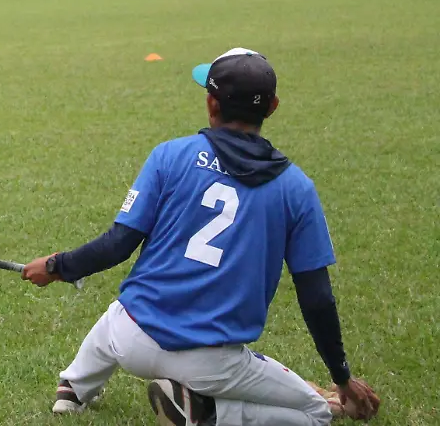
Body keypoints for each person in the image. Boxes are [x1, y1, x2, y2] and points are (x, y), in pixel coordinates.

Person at [22, 48, 380, 426]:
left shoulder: (170, 155)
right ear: (272, 107)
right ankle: (209, 413)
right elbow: (317, 297)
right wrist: (342, 379)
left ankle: (74, 387)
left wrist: (57, 265)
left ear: (211, 103)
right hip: (211, 364)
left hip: (130, 340)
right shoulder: (296, 188)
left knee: (120, 311)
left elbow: (117, 244)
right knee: (317, 412)